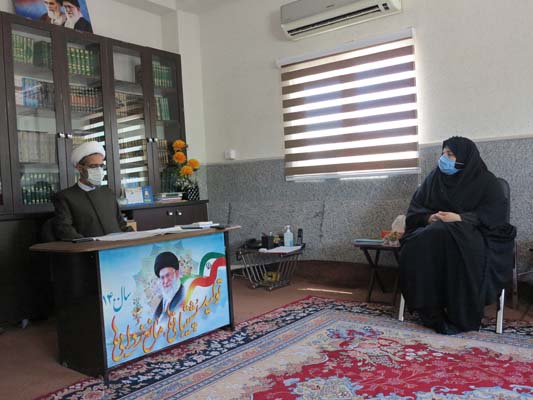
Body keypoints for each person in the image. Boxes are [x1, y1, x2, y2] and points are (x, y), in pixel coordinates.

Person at [399, 137, 516, 334]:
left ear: (465, 157)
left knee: (448, 236)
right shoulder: (434, 179)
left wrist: (460, 218)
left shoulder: (486, 181)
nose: (444, 158)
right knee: (421, 240)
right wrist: (429, 218)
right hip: (433, 234)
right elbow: (415, 210)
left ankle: (460, 312)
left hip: (475, 233)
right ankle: (429, 308)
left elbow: (495, 215)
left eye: (450, 154)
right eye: (443, 153)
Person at [52, 141, 132, 239]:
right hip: (89, 247)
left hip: (117, 246)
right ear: (80, 168)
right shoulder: (65, 197)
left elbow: (121, 225)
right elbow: (65, 230)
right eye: (93, 166)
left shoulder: (108, 193)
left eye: (101, 166)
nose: (99, 170)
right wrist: (88, 243)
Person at [153, 252, 185, 321]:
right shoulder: (164, 301)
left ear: (177, 273)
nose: (165, 281)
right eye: (162, 277)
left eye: (168, 275)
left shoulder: (186, 296)